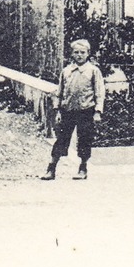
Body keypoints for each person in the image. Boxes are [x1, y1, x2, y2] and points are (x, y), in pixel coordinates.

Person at [41, 39, 105, 181]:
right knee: (61, 139)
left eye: (82, 52)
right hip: (67, 111)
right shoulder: (66, 71)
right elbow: (60, 92)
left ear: (88, 54)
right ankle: (51, 169)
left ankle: (82, 168)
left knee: (84, 139)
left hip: (86, 111)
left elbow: (99, 92)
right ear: (72, 54)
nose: (79, 55)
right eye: (76, 52)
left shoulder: (93, 71)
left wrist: (97, 112)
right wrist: (57, 110)